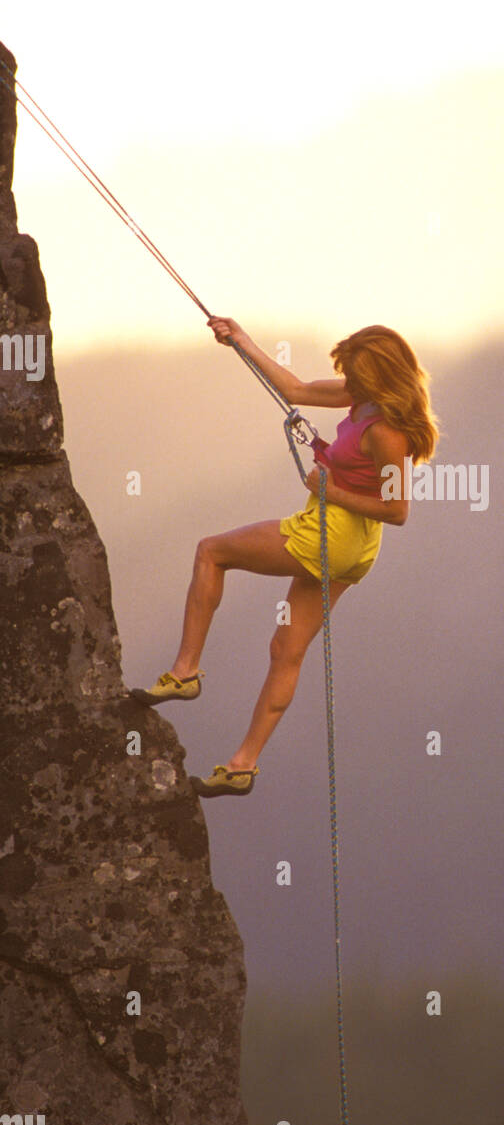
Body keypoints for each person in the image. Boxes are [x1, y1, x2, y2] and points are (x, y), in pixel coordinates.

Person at [130, 317, 439, 797]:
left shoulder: (388, 434)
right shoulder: (363, 399)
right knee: (286, 651)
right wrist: (240, 341)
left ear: (378, 376)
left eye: (357, 376)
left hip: (330, 534)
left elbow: (398, 511)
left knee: (211, 552)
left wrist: (330, 490)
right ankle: (242, 766)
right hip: (353, 551)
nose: (349, 383)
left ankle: (185, 671)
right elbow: (294, 388)